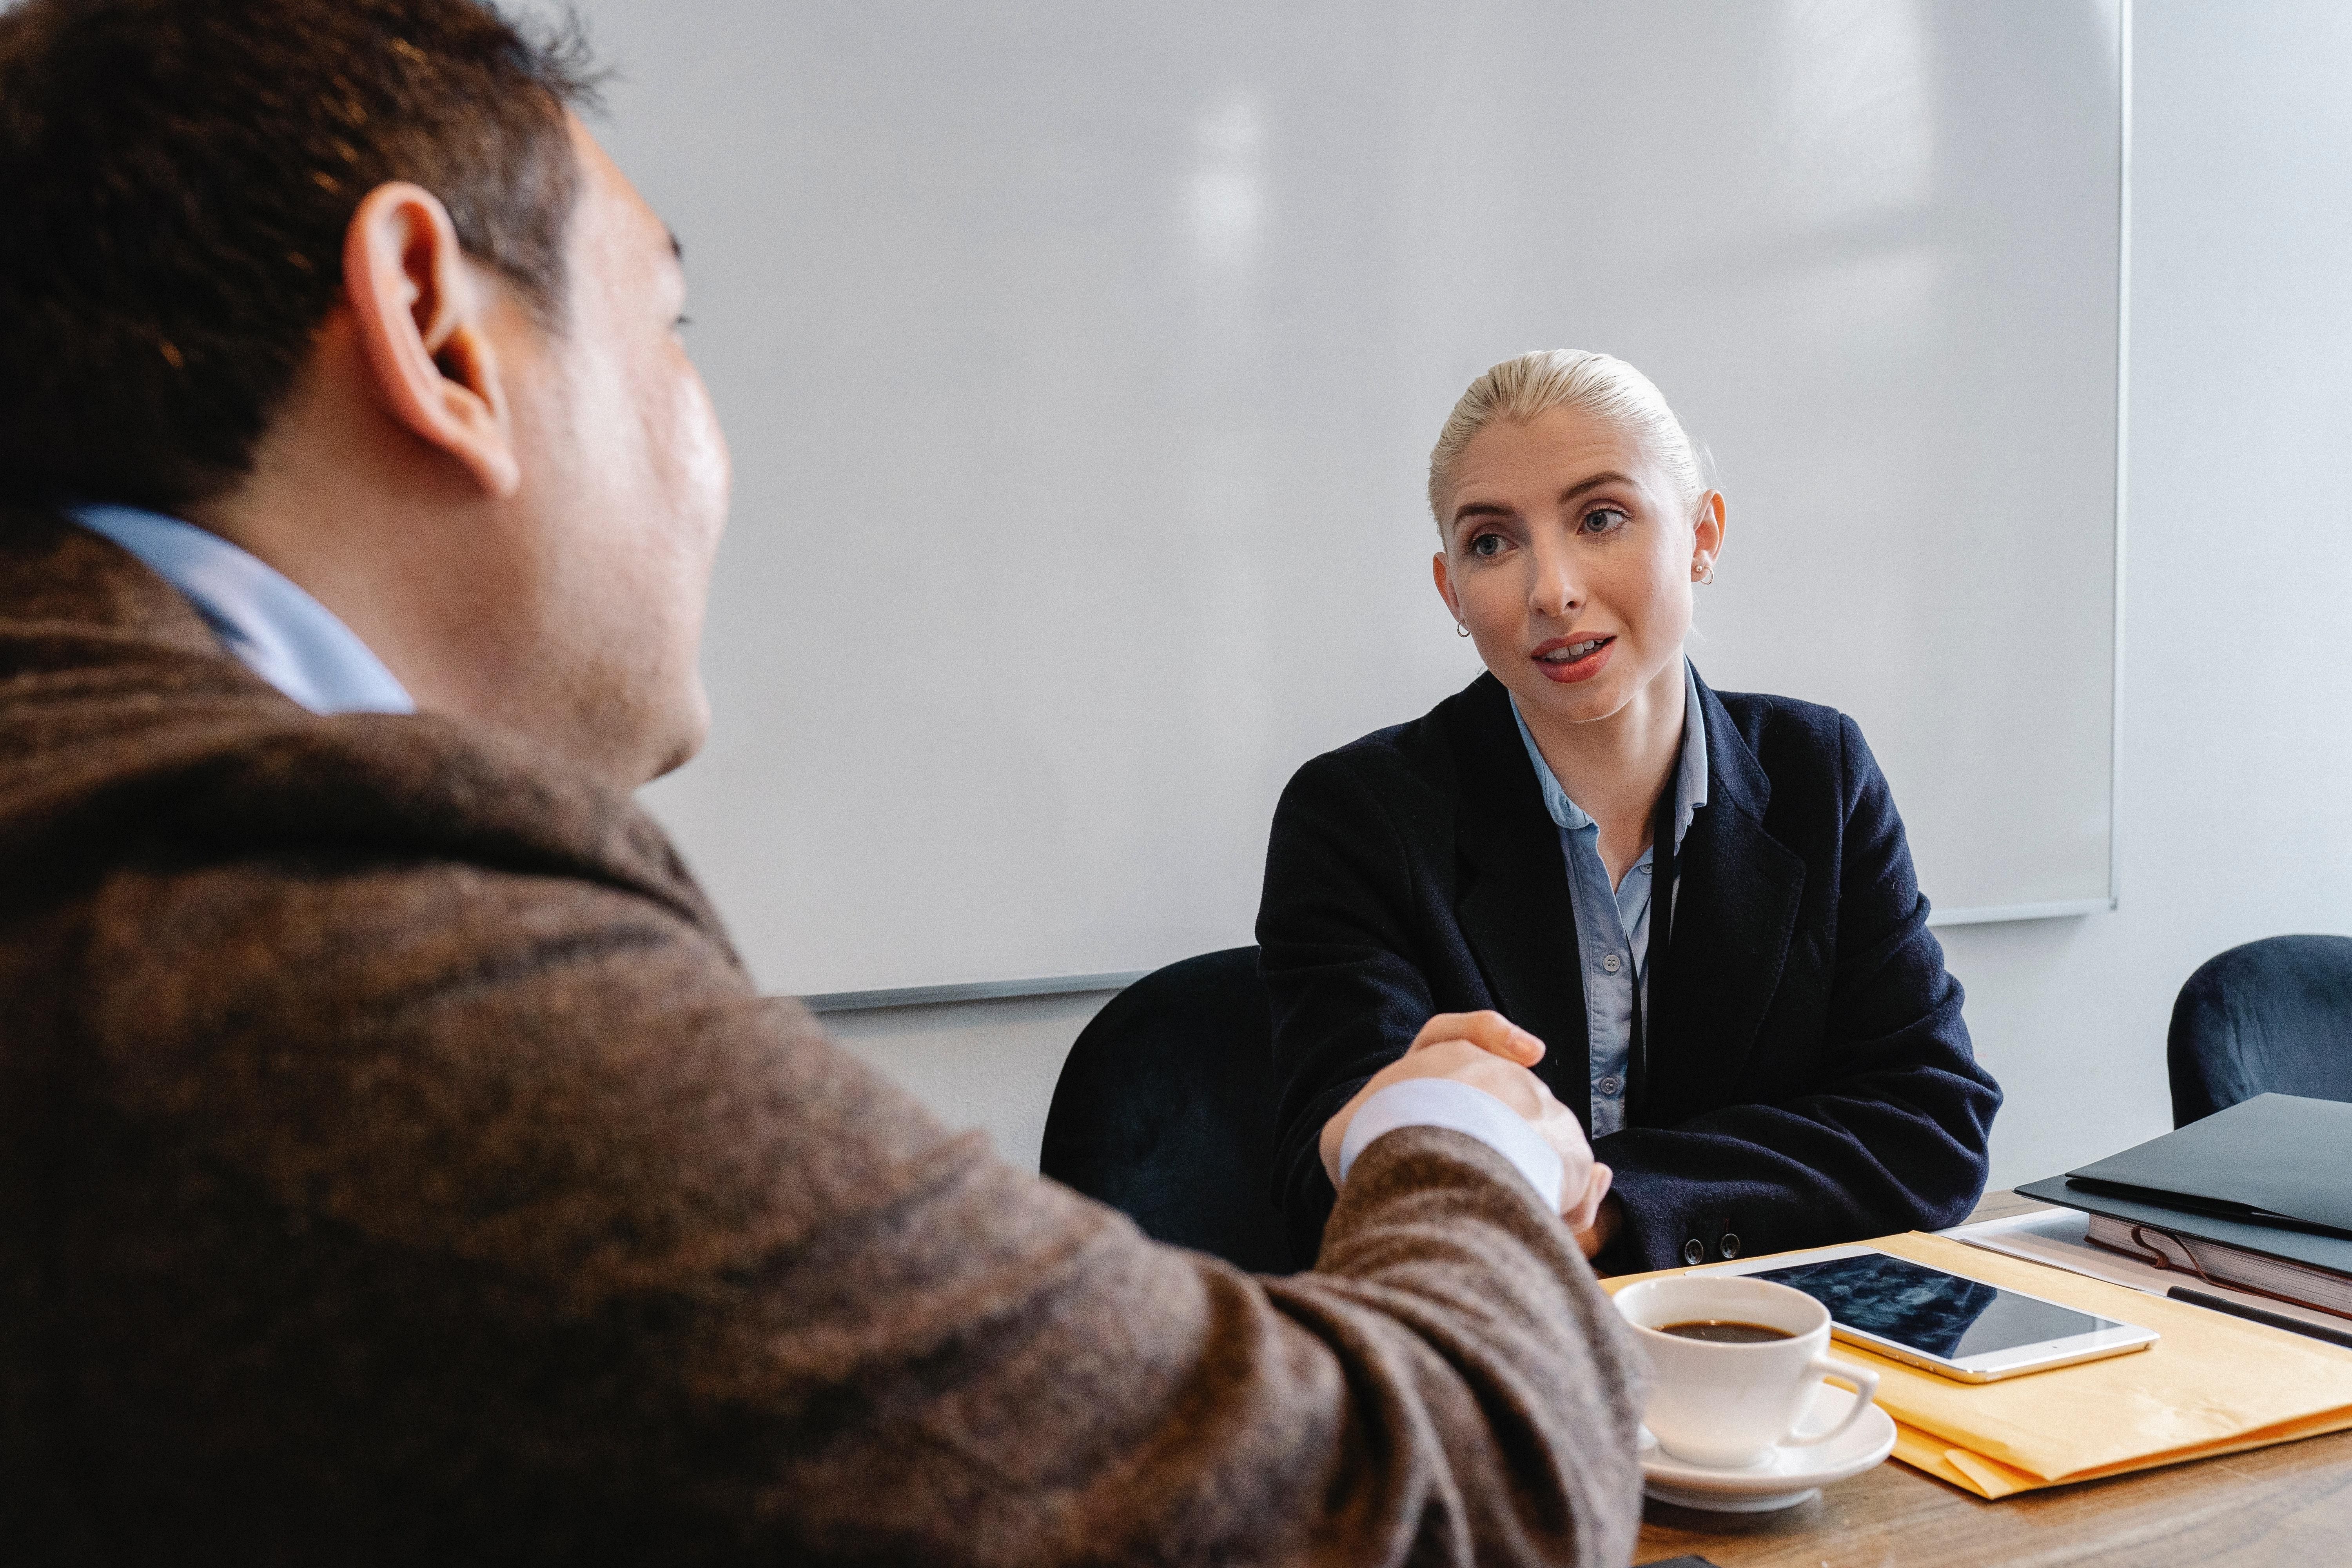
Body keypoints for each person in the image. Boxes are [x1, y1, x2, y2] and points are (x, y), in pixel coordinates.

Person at [0, 3, 1648, 1563]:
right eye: (671, 326)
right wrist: (1454, 1132)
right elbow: (1446, 1501)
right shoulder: (336, 948)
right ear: (435, 328)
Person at [1258, 350, 2004, 1274]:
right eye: (1492, 542)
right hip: (1490, 1351)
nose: (1552, 590)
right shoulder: (1357, 815)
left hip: (1768, 1349)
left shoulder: (1821, 774)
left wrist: (1605, 1205)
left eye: (1600, 517)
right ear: (1453, 590)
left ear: (1702, 536)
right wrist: (1382, 1128)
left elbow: (1931, 1129)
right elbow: (1323, 1192)